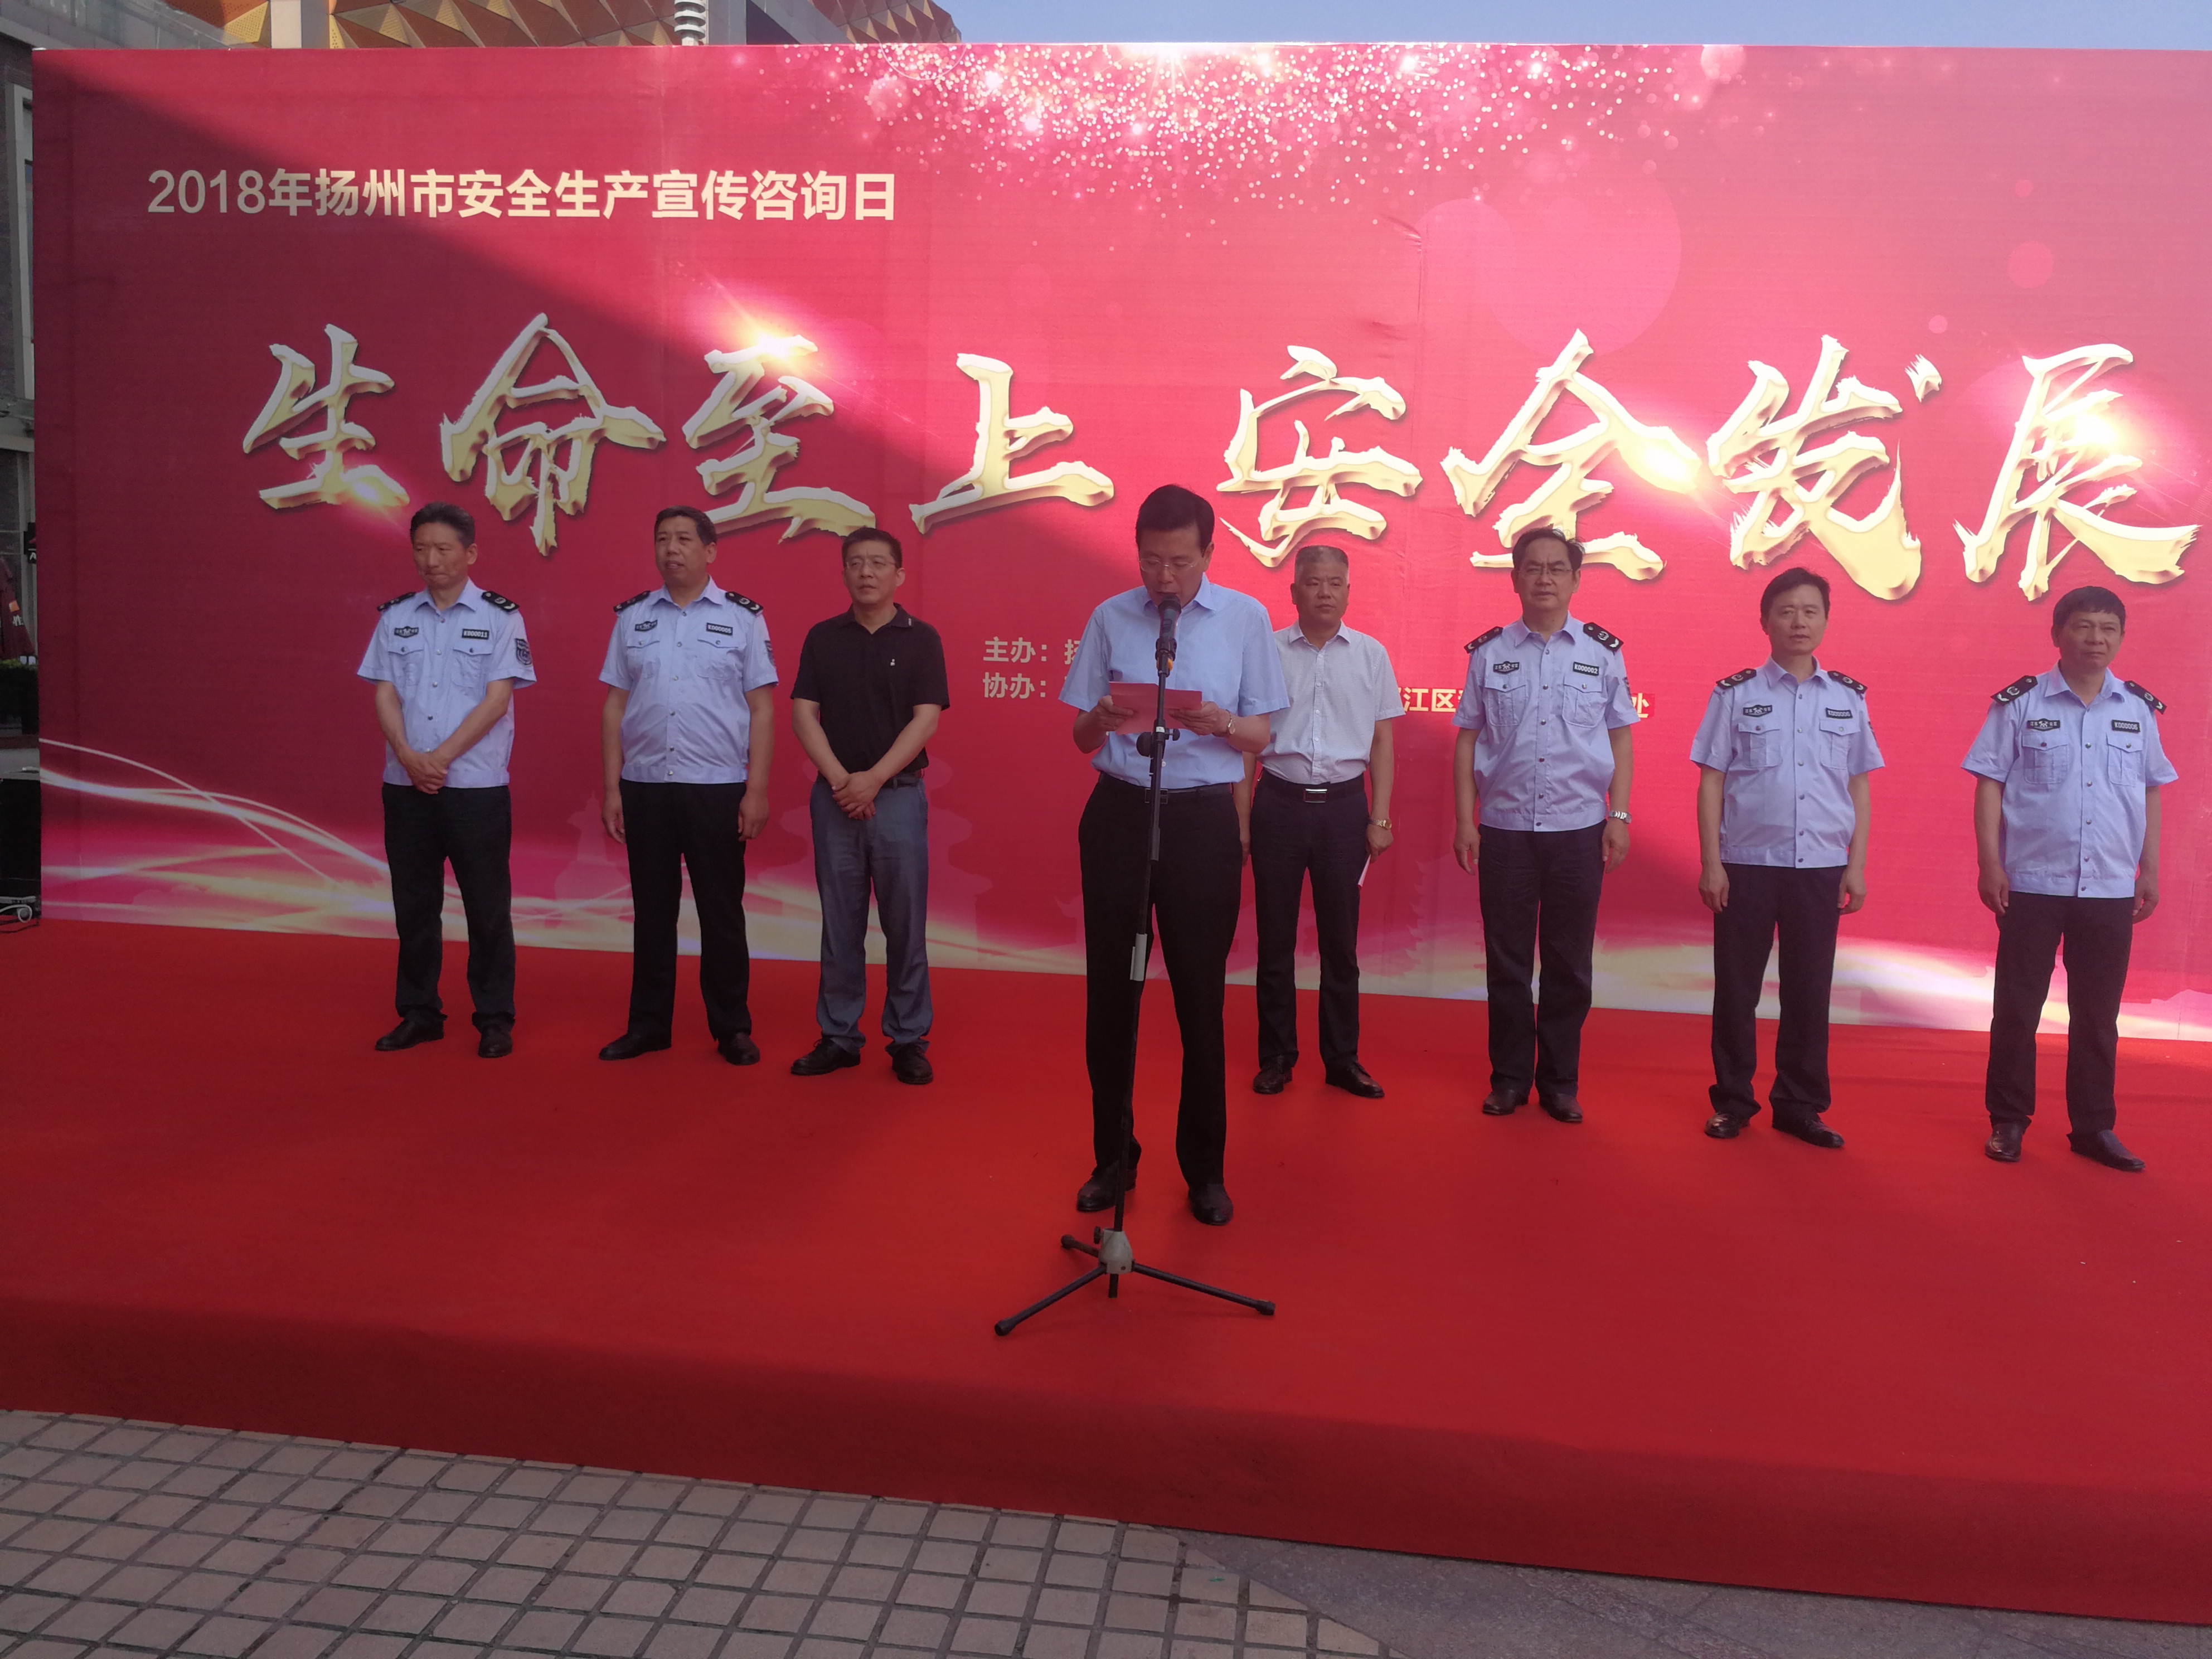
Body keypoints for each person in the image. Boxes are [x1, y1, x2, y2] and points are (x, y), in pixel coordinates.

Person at [1059, 484, 1289, 1226]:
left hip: (1199, 823)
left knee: (1199, 999)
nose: (1164, 577)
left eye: (1180, 562)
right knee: (1111, 997)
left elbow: (1262, 736)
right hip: (1120, 818)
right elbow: (1081, 738)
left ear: (1209, 554)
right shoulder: (1110, 617)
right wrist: (1100, 717)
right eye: (1151, 561)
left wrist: (1219, 722)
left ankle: (1205, 1171)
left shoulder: (1245, 619)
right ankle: (1112, 1159)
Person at [1963, 585, 2173, 1172]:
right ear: (2057, 634)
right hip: (2032, 882)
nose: (2095, 639)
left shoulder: (2136, 709)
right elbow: (1988, 782)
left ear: (2121, 638)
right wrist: (1990, 863)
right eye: (2083, 626)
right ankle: (2008, 1121)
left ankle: (2093, 1128)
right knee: (2016, 1010)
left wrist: (2150, 868)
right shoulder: (2020, 702)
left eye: (2108, 629)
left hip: (2108, 886)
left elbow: (2150, 792)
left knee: (2097, 1017)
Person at [1451, 526, 1638, 1123]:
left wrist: (1618, 815)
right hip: (1505, 828)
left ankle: (1559, 1082)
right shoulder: (1489, 653)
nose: (1545, 578)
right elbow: (1468, 739)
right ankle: (1508, 1078)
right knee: (1506, 962)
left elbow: (1620, 738)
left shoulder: (1602, 652)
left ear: (1576, 579)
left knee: (1568, 964)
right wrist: (1465, 820)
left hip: (1579, 828)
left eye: (1557, 568)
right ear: (1515, 579)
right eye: (1533, 568)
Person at [1690, 568, 1881, 1148]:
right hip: (1746, 862)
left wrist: (1855, 865)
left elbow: (1858, 784)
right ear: (1765, 621)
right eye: (1787, 611)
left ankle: (1800, 1106)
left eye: (1810, 611)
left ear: (1825, 620)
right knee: (1737, 990)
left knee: (1808, 991)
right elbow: (1711, 780)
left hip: (1819, 865)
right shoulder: (1735, 694)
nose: (1799, 622)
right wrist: (1711, 862)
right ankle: (1732, 1102)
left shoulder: (1847, 698)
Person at [596, 506, 777, 1066]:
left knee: (721, 912)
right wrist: (612, 788)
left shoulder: (743, 618)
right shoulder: (632, 617)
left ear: (709, 551)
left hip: (716, 787)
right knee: (652, 912)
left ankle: (731, 1028)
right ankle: (648, 1025)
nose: (671, 549)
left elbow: (762, 709)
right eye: (662, 539)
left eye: (683, 539)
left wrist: (756, 790)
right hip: (646, 785)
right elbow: (615, 705)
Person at [358, 502, 535, 1059]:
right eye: (420, 549)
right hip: (405, 782)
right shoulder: (395, 617)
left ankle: (494, 1016)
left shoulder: (500, 616)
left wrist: (440, 758)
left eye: (442, 549)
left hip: (475, 786)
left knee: (487, 906)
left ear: (469, 553)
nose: (430, 560)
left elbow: (497, 700)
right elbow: (385, 692)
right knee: (414, 904)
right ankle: (419, 1012)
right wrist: (409, 756)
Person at [788, 527, 950, 1085]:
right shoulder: (823, 638)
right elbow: (803, 714)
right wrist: (843, 783)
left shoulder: (922, 639)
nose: (866, 572)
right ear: (843, 574)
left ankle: (908, 1038)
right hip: (834, 799)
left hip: (898, 797)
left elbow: (926, 719)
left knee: (905, 924)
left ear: (899, 574)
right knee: (840, 923)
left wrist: (873, 780)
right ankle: (838, 1035)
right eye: (855, 563)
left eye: (878, 563)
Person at [1243, 544, 1401, 1100]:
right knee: (1275, 940)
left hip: (1343, 811)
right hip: (1278, 804)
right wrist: (1242, 818)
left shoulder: (1371, 655)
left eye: (1335, 583)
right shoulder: (1266, 651)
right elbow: (1248, 742)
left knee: (1340, 943)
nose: (1324, 592)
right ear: (1294, 591)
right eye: (1313, 582)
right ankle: (1276, 1057)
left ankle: (1341, 1059)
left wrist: (1380, 816)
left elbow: (1382, 743)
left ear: (1348, 592)